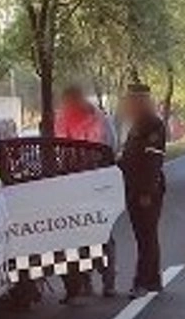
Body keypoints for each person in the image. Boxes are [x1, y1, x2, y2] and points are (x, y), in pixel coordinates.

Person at [54, 84, 118, 299]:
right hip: (71, 185)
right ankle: (81, 281)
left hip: (96, 183)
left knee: (101, 232)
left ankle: (108, 279)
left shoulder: (99, 120)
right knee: (75, 235)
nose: (69, 108)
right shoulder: (62, 120)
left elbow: (108, 150)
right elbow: (59, 149)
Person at [118, 83, 168, 299]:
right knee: (146, 235)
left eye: (133, 101)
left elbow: (153, 159)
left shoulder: (153, 124)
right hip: (134, 186)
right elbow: (130, 157)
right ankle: (154, 279)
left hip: (146, 188)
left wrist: (147, 190)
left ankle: (142, 282)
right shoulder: (136, 124)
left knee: (145, 236)